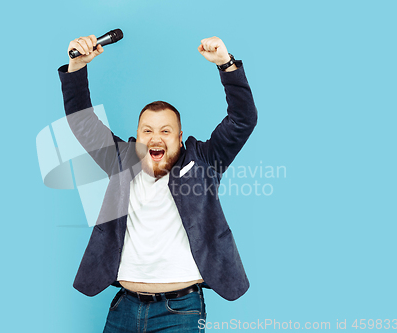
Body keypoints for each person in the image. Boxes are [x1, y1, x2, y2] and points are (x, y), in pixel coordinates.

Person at [58, 34, 257, 332]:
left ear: (179, 138)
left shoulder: (204, 162)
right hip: (123, 308)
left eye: (166, 131)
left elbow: (242, 119)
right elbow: (82, 122)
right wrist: (77, 67)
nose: (155, 138)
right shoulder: (120, 161)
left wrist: (226, 66)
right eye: (147, 130)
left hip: (180, 312)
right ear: (138, 138)